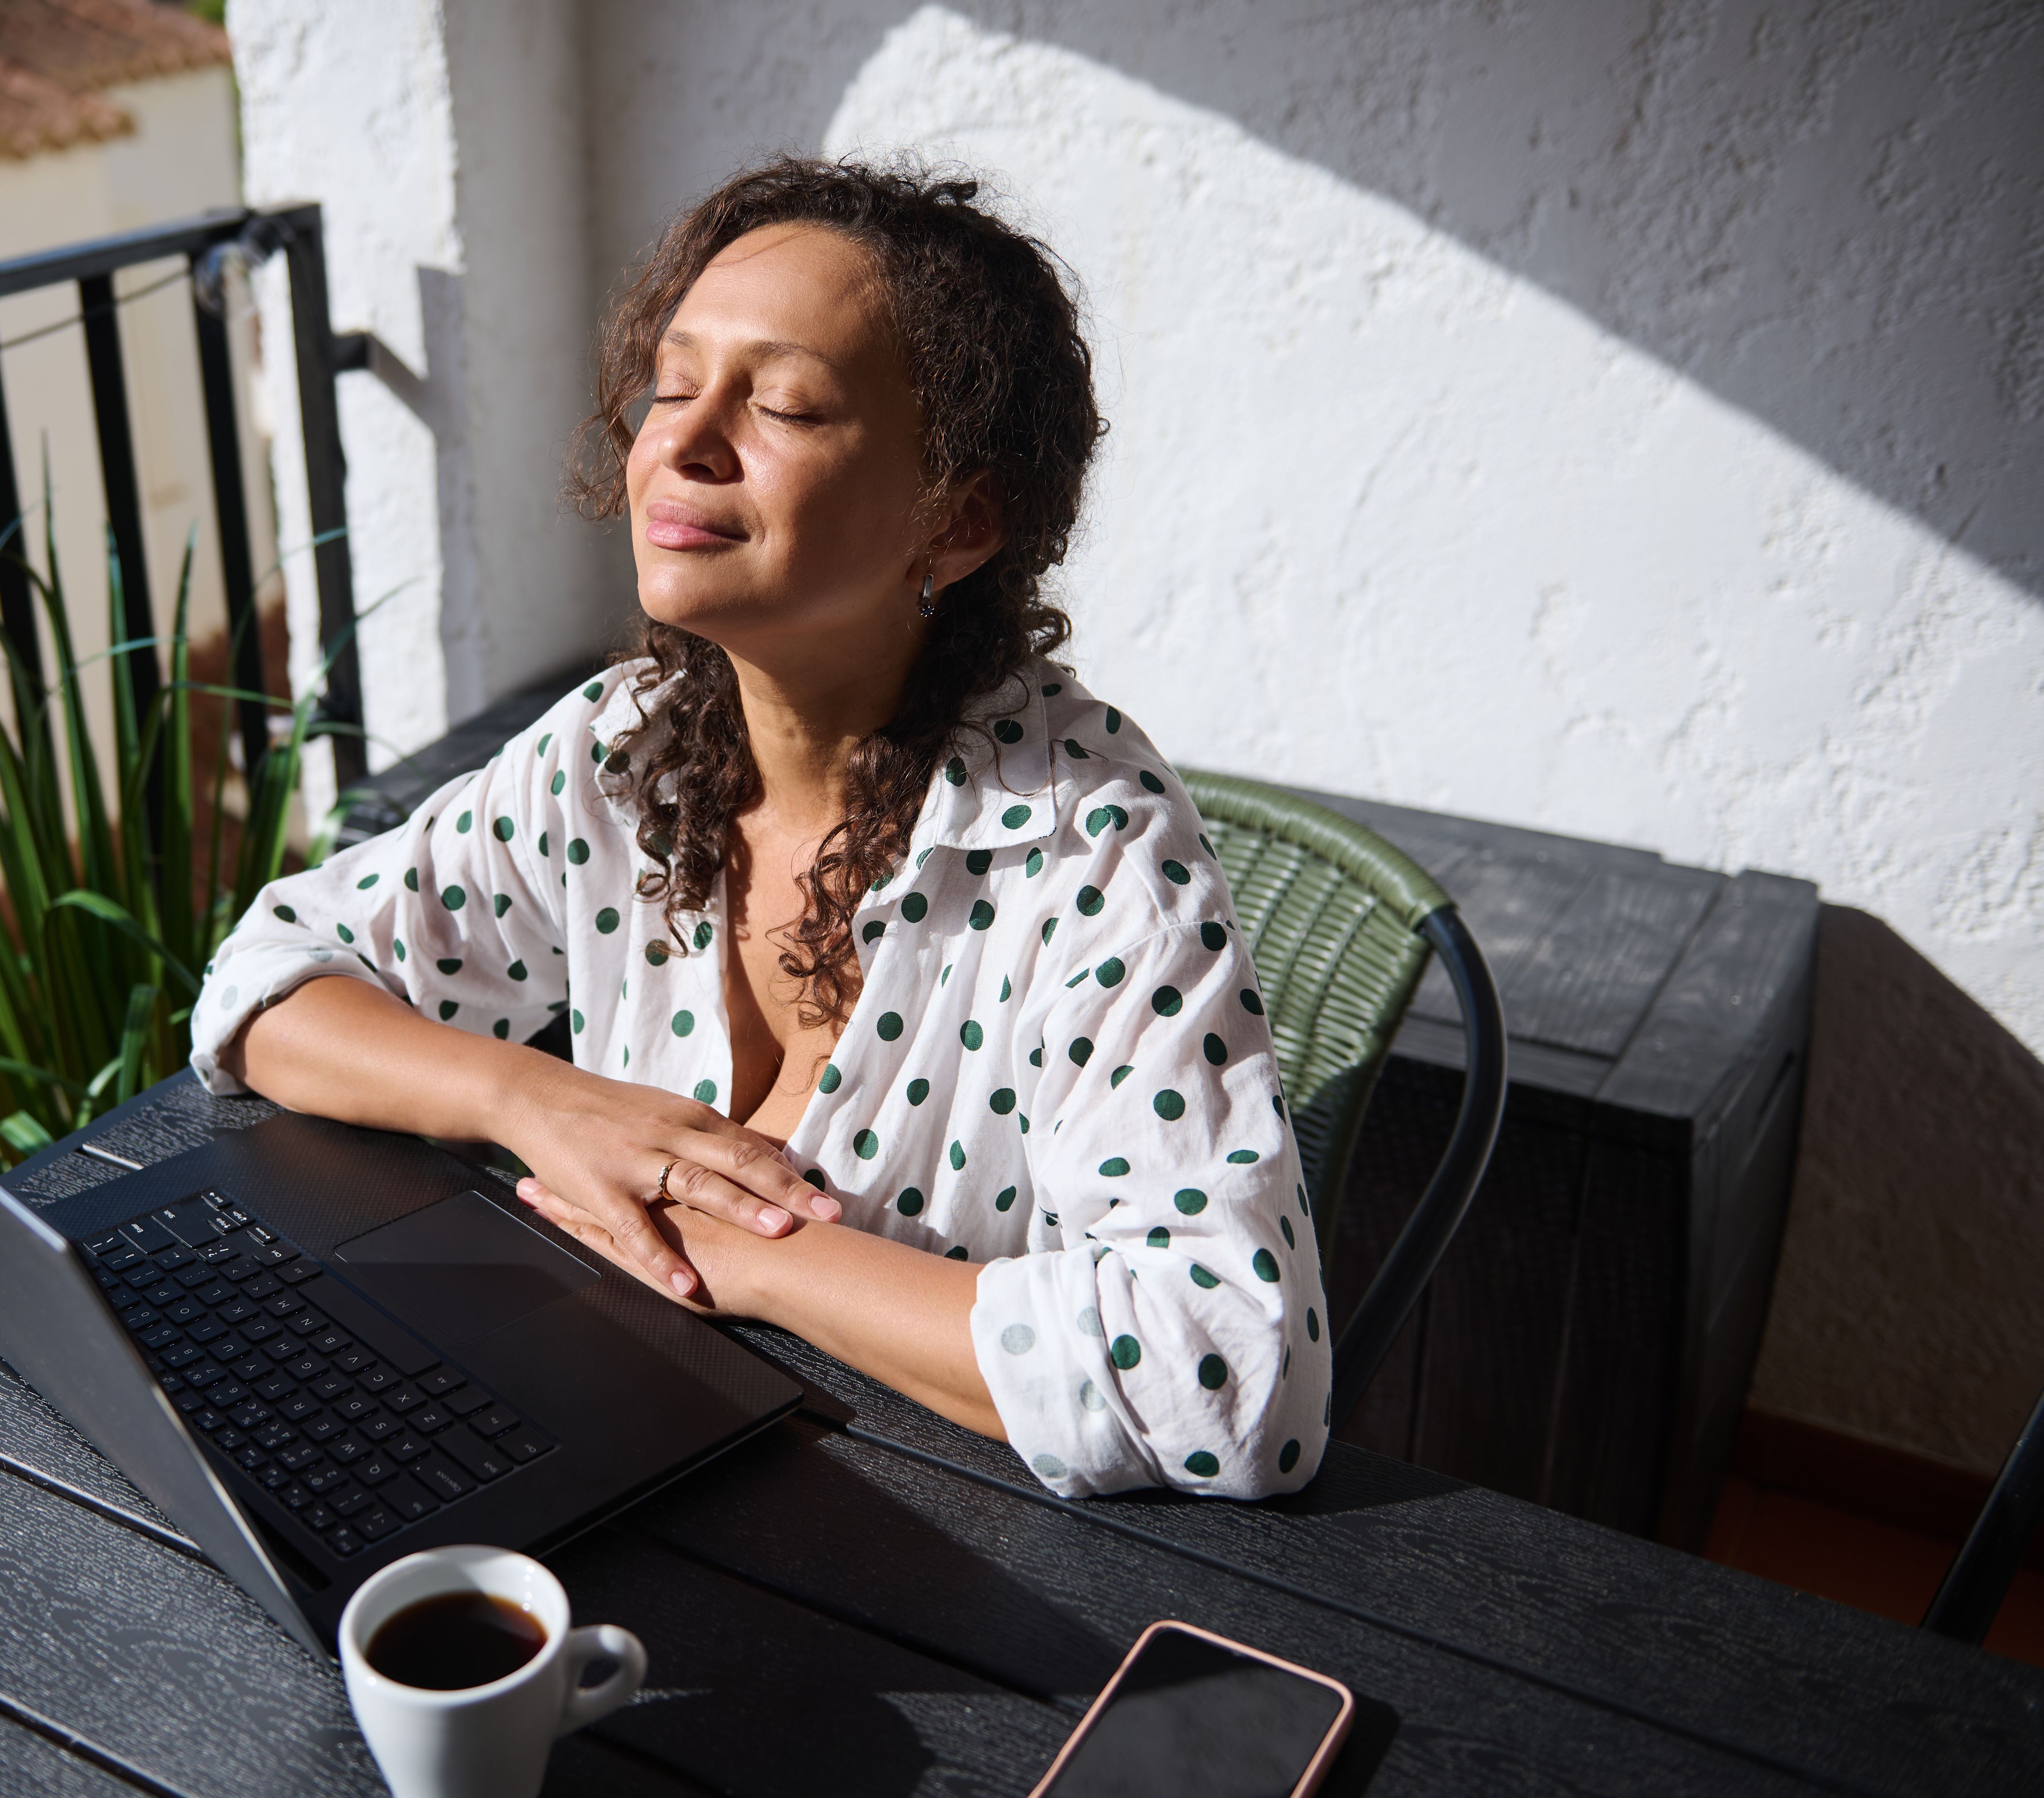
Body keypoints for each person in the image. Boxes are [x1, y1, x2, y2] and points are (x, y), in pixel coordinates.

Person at [193, 158, 1324, 1498]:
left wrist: (738, 1252)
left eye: (783, 402)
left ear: (957, 521)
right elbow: (268, 984)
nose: (684, 438)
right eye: (671, 386)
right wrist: (540, 1102)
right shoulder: (624, 742)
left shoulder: (1086, 851)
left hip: (930, 1542)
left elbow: (1235, 1373)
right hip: (615, 1446)